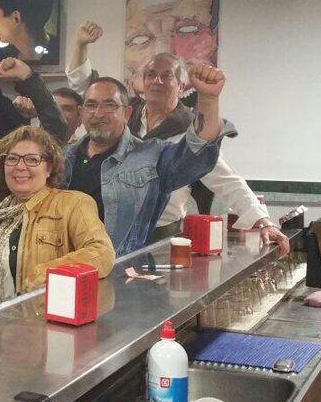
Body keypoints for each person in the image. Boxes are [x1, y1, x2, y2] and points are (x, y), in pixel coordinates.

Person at [70, 32, 287, 254]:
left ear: (182, 86)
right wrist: (80, 44)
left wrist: (263, 221)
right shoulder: (125, 116)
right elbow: (86, 89)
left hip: (157, 238)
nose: (157, 81)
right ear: (142, 82)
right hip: (104, 232)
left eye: (167, 76)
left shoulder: (191, 132)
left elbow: (227, 180)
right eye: (151, 75)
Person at [65, 66, 232, 255]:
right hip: (61, 269)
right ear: (82, 111)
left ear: (127, 113)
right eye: (91, 105)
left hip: (117, 274)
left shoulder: (152, 156)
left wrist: (209, 100)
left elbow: (197, 155)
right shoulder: (62, 158)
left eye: (110, 105)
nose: (98, 113)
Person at [0, 126, 114, 304]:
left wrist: (44, 273)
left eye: (32, 159)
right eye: (12, 159)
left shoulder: (73, 204)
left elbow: (102, 253)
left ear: (49, 168)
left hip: (44, 324)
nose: (20, 166)